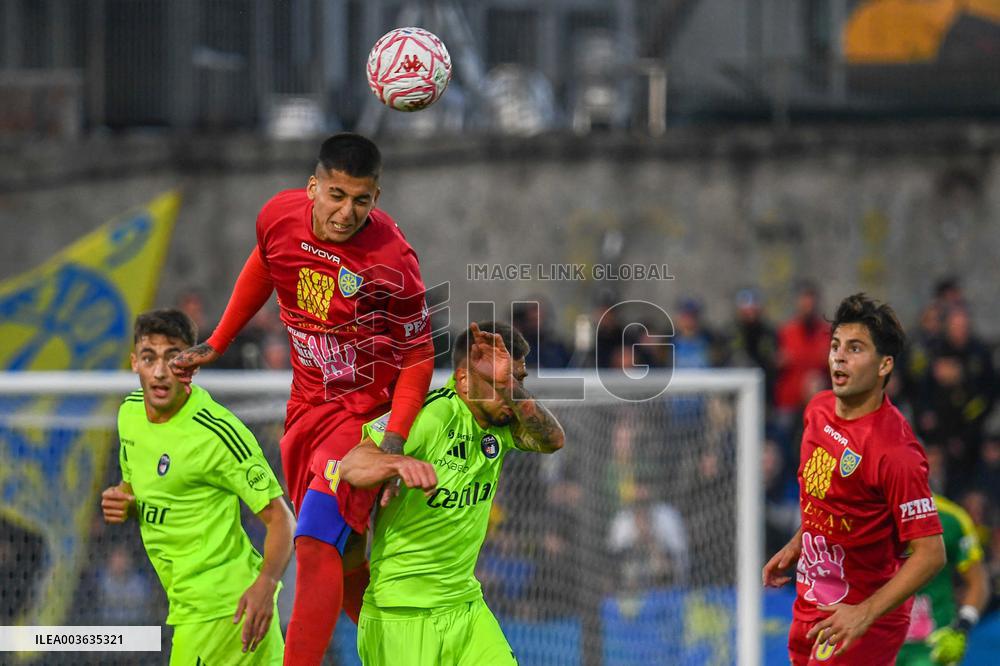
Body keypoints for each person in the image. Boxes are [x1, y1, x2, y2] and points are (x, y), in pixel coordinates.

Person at [168, 133, 435, 663]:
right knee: (350, 561)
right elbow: (265, 266)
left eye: (361, 200)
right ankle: (411, 655)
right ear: (313, 187)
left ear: (376, 198)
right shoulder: (278, 217)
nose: (346, 211)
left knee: (313, 541)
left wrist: (390, 444)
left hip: (364, 417)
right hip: (307, 409)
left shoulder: (393, 261)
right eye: (336, 194)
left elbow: (418, 357)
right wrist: (218, 342)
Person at [339, 321, 565, 665]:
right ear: (463, 380)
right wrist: (396, 464)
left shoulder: (502, 424)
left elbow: (553, 441)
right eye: (499, 383)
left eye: (518, 380)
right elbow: (352, 465)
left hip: (465, 608)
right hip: (401, 615)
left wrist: (508, 386)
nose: (510, 393)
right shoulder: (433, 415)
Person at [100, 309, 295, 664]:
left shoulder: (217, 433)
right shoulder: (129, 415)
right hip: (191, 607)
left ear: (192, 365)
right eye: (149, 358)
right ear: (134, 363)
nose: (160, 372)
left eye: (173, 358)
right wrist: (125, 501)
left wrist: (266, 586)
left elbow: (282, 519)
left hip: (224, 612)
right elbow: (135, 485)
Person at [762, 293, 945, 664]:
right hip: (812, 601)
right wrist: (801, 541)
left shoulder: (896, 452)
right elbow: (834, 500)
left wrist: (864, 613)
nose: (839, 357)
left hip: (862, 620)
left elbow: (931, 554)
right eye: (835, 346)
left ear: (884, 366)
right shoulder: (818, 410)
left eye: (856, 348)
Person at [897, 493, 989, 666]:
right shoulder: (861, 516)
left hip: (931, 647)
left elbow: (978, 583)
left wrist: (962, 626)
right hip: (875, 640)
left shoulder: (950, 518)